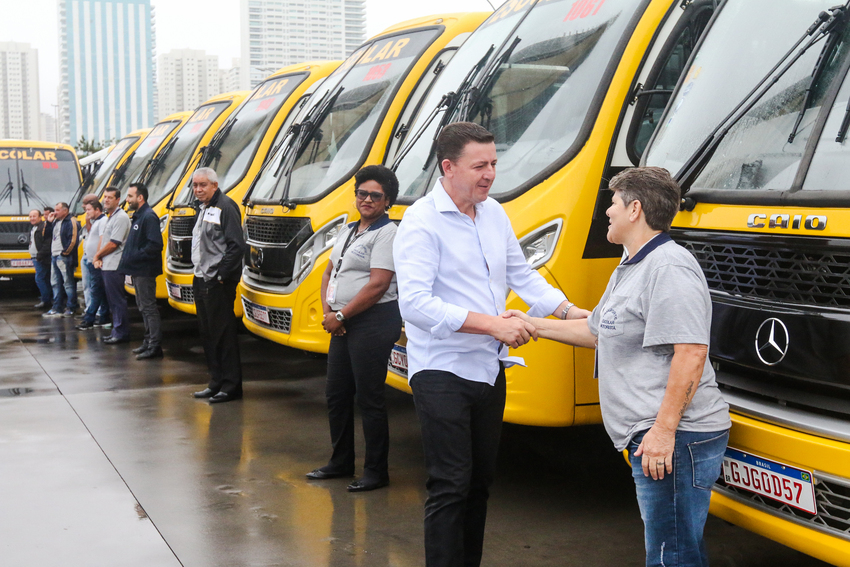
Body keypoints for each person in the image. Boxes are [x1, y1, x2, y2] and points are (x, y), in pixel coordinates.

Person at [506, 167, 731, 567]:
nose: (606, 212)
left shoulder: (668, 269)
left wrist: (663, 432)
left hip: (675, 438)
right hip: (653, 434)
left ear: (635, 209)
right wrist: (532, 323)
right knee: (675, 548)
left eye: (612, 203)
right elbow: (599, 331)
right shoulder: (632, 265)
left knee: (671, 555)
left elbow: (691, 352)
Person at [393, 122, 589, 567]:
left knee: (480, 483)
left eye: (494, 164)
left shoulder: (494, 213)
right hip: (441, 369)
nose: (490, 175)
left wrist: (567, 311)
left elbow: (521, 273)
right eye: (479, 166)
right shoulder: (422, 223)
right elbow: (416, 306)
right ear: (448, 167)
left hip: (489, 369)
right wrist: (492, 326)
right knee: (450, 483)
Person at [307, 165, 403, 492]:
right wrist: (329, 313)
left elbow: (378, 285)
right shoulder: (349, 230)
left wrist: (343, 316)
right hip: (343, 321)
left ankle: (376, 471)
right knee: (336, 393)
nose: (367, 200)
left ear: (387, 200)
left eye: (375, 196)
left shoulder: (387, 233)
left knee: (369, 397)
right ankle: (340, 461)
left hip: (373, 321)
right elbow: (328, 273)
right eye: (362, 193)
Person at [189, 168, 247, 404]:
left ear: (215, 184)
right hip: (200, 278)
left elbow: (237, 246)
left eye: (203, 185)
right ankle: (216, 382)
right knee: (208, 333)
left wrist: (221, 275)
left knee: (223, 334)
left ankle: (231, 386)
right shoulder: (203, 209)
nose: (198, 190)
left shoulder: (226, 206)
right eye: (195, 186)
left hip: (217, 282)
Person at [119, 182, 164, 360]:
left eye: (130, 196)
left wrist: (135, 256)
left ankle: (155, 346)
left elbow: (155, 244)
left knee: (149, 308)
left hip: (145, 270)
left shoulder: (148, 216)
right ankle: (147, 342)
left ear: (140, 197)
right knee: (143, 307)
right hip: (138, 270)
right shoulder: (139, 216)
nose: (127, 199)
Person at [94, 187, 132, 344]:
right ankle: (117, 330)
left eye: (110, 197)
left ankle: (121, 332)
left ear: (118, 199)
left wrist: (97, 255)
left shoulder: (121, 218)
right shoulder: (111, 216)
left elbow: (114, 243)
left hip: (115, 265)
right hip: (108, 264)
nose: (106, 200)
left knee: (117, 300)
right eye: (105, 197)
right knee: (112, 301)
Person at [76, 200, 110, 330]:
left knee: (95, 291)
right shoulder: (96, 222)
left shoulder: (102, 221)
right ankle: (104, 318)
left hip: (96, 262)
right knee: (100, 291)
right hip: (91, 260)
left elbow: (102, 239)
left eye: (89, 210)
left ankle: (89, 319)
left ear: (97, 209)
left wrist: (97, 256)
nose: (87, 212)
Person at [43, 202, 80, 317]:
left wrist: (65, 253)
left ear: (65, 210)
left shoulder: (71, 222)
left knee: (67, 283)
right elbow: (46, 235)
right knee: (55, 282)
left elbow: (73, 240)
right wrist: (48, 223)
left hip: (63, 256)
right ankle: (57, 307)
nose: (55, 212)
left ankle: (71, 306)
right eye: (55, 209)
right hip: (54, 255)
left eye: (58, 210)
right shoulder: (55, 222)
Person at [28, 208, 53, 309]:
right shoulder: (34, 228)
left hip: (40, 258)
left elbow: (47, 243)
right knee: (44, 279)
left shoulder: (43, 227)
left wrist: (40, 255)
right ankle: (46, 297)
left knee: (40, 279)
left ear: (40, 217)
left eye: (34, 216)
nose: (32, 218)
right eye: (30, 217)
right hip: (35, 257)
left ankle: (46, 300)